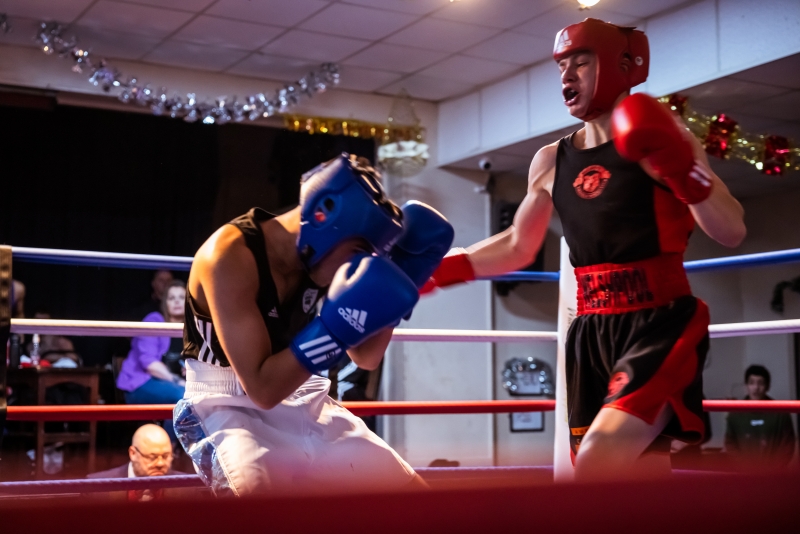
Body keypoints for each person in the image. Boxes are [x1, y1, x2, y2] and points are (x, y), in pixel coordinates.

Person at [422, 19, 746, 481]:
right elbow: (517, 246)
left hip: (659, 323)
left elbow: (732, 230)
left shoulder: (665, 138)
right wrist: (436, 270)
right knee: (639, 481)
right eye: (561, 66)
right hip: (591, 330)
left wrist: (682, 171)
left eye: (581, 62)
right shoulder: (551, 160)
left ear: (620, 66)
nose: (567, 75)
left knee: (599, 460)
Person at [174, 154, 453, 496]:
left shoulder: (321, 254)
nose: (356, 264)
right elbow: (263, 390)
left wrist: (402, 276)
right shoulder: (229, 256)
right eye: (357, 251)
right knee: (262, 506)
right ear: (323, 217)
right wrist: (331, 330)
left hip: (303, 392)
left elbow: (366, 357)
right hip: (227, 405)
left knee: (412, 498)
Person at [117, 280, 187, 441]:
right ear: (165, 302)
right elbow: (149, 364)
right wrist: (178, 381)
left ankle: (190, 449)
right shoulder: (154, 321)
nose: (177, 302)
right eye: (172, 298)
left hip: (172, 384)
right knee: (183, 396)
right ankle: (168, 447)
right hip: (140, 384)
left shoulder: (192, 328)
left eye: (181, 297)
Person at [87, 424, 192, 501]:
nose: (160, 463)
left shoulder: (188, 488)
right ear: (133, 453)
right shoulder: (96, 489)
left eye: (166, 456)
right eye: (152, 457)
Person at [725, 365, 796, 470]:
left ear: (767, 386)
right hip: (744, 473)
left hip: (774, 473)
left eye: (761, 383)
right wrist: (743, 467)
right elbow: (730, 444)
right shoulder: (735, 414)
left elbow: (788, 445)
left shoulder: (780, 412)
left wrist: (775, 468)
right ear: (746, 386)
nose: (756, 387)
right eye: (751, 383)